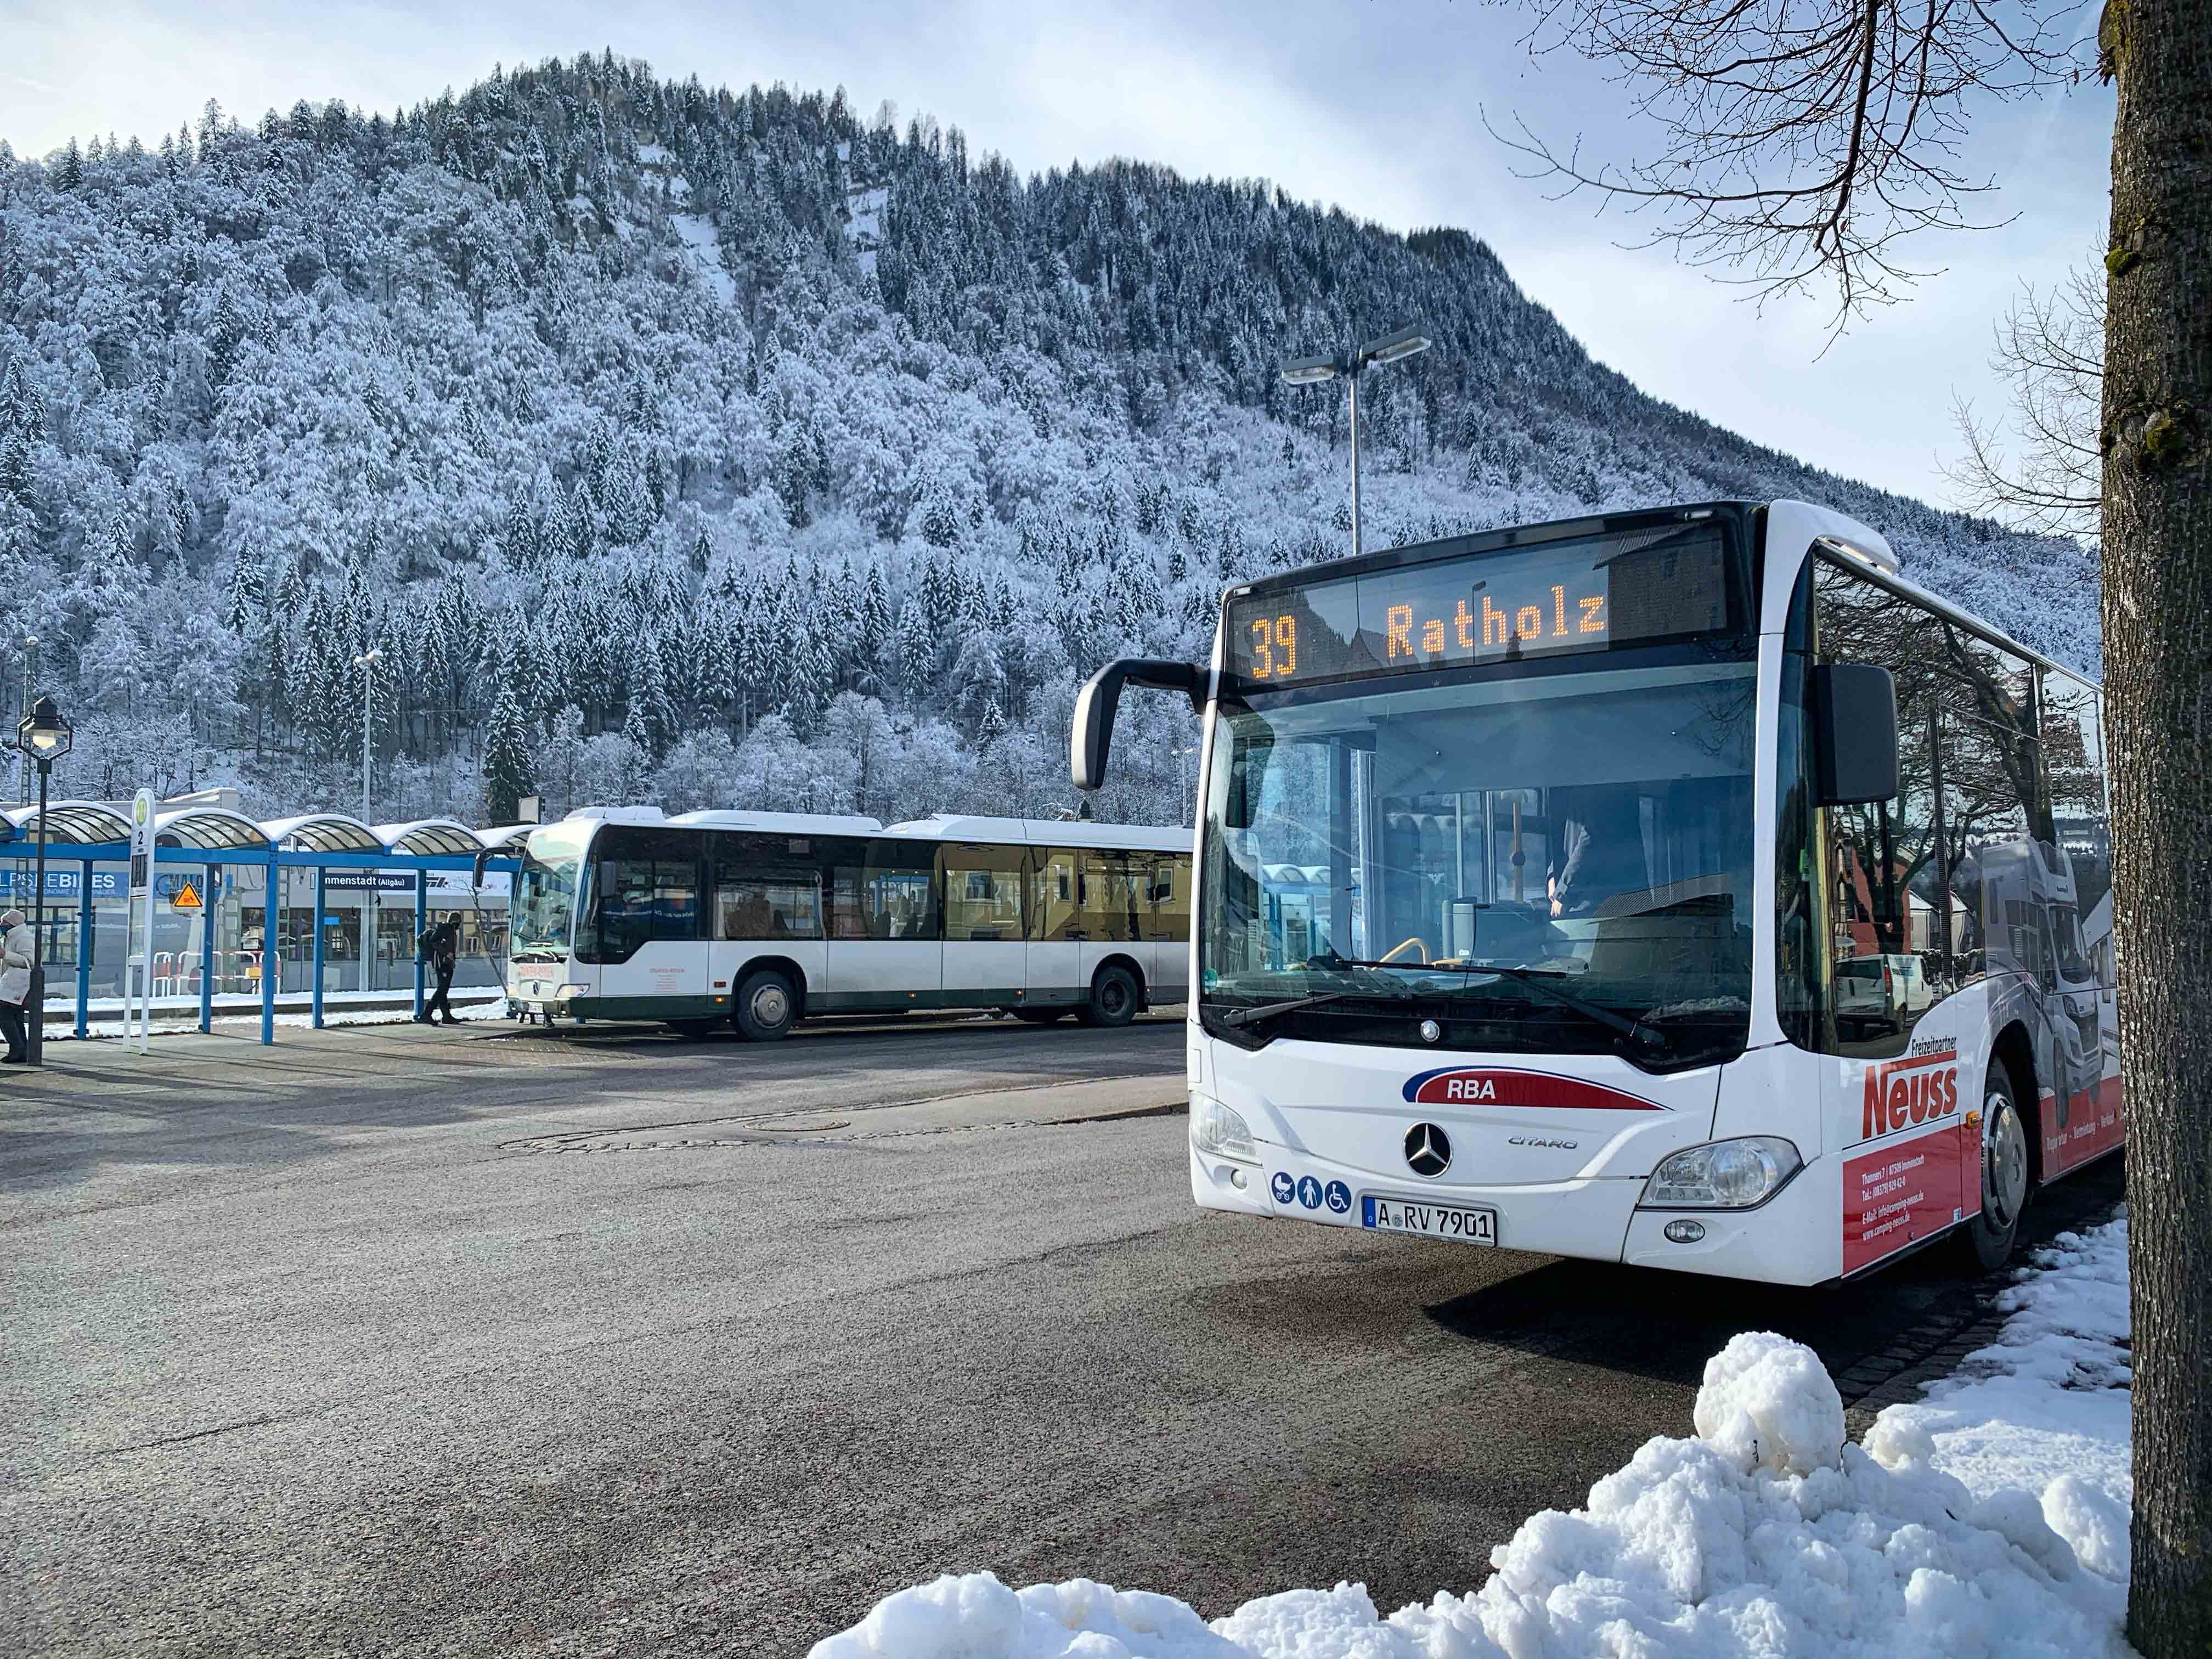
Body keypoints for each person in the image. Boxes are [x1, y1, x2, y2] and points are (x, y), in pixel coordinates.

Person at [416, 912, 462, 1026]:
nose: (459, 925)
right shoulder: (446, 929)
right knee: (441, 990)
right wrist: (447, 954)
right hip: (443, 964)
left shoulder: (449, 930)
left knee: (443, 990)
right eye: (458, 922)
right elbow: (434, 942)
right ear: (454, 922)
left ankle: (446, 1016)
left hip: (446, 963)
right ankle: (426, 1014)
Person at [0, 907, 30, 1062]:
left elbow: (30, 962)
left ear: (12, 924)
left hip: (17, 985)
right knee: (15, 1018)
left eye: (4, 922)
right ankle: (21, 1050)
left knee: (4, 1016)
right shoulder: (8, 937)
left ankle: (18, 1048)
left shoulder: (24, 937)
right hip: (10, 984)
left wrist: (5, 954)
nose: (1, 924)